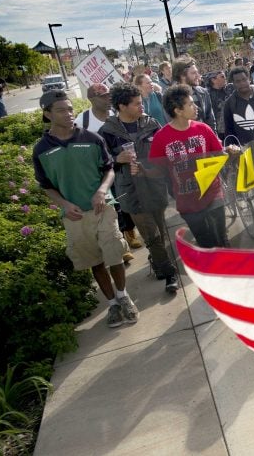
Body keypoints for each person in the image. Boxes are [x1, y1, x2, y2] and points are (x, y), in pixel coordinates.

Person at [32, 89, 139, 329]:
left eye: (70, 109)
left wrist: (102, 191)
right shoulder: (41, 150)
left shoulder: (92, 138)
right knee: (95, 261)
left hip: (103, 209)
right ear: (47, 114)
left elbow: (109, 169)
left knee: (114, 254)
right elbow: (46, 186)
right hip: (74, 215)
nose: (69, 114)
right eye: (61, 110)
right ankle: (112, 303)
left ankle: (123, 297)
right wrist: (64, 204)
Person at [98, 83, 179, 293]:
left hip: (154, 185)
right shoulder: (107, 131)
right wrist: (117, 158)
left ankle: (158, 260)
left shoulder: (151, 124)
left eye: (141, 102)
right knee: (151, 234)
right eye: (136, 103)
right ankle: (169, 274)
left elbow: (166, 150)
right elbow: (101, 164)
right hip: (130, 191)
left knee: (160, 231)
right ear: (122, 106)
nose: (141, 106)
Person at [148, 84, 229, 248]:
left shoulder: (203, 129)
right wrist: (142, 171)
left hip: (213, 193)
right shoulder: (161, 138)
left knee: (221, 239)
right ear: (178, 110)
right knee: (204, 241)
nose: (196, 107)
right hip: (187, 201)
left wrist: (230, 152)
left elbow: (219, 153)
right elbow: (158, 170)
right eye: (191, 104)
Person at [75, 83, 142, 254]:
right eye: (102, 97)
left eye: (108, 95)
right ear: (91, 99)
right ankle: (120, 242)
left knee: (124, 200)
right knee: (111, 206)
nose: (108, 99)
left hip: (119, 169)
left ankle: (129, 232)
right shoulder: (82, 121)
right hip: (98, 171)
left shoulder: (117, 114)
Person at [222, 66, 254, 222]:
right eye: (237, 81)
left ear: (249, 79)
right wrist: (233, 150)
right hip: (245, 150)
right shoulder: (229, 104)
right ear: (233, 83)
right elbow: (229, 130)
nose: (242, 83)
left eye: (244, 79)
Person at [171, 57, 216, 132]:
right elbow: (171, 123)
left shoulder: (203, 92)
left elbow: (210, 118)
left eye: (197, 72)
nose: (198, 76)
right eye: (193, 73)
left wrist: (213, 138)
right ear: (182, 76)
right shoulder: (171, 97)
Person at [203, 70, 232, 140]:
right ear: (213, 80)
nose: (225, 78)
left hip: (230, 128)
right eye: (222, 76)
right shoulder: (206, 94)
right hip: (216, 130)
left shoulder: (229, 89)